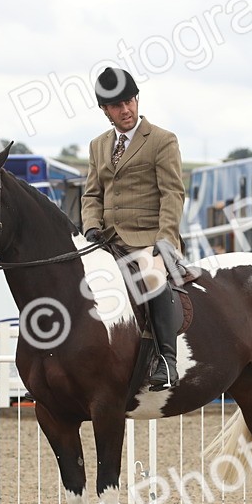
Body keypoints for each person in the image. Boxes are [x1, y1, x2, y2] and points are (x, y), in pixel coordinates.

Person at [81, 67, 186, 391]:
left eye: (129, 102)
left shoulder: (161, 140)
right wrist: (91, 227)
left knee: (152, 277)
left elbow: (172, 192)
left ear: (137, 99)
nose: (125, 110)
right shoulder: (98, 145)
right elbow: (92, 194)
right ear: (105, 110)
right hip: (106, 241)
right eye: (116, 106)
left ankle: (166, 360)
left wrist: (165, 238)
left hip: (148, 239)